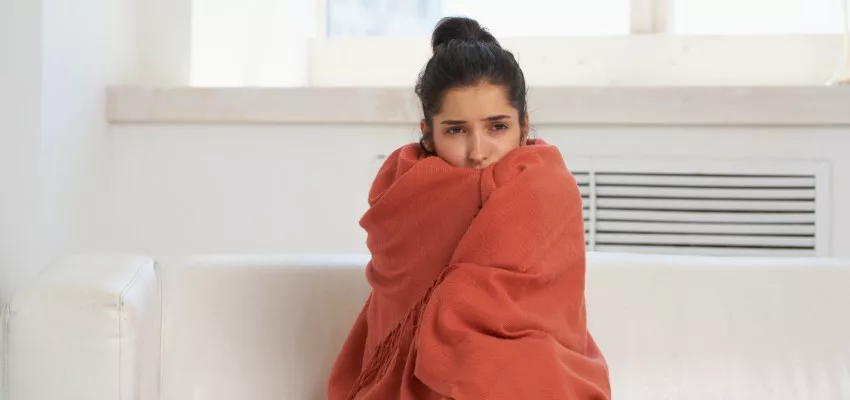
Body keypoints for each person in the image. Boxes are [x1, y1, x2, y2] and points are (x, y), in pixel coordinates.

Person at [328, 16, 611, 399]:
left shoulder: (545, 187)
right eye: (456, 130)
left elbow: (545, 315)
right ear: (427, 133)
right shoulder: (402, 196)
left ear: (523, 127)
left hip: (528, 368)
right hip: (412, 385)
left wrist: (455, 311)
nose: (478, 152)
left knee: (520, 363)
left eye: (497, 127)